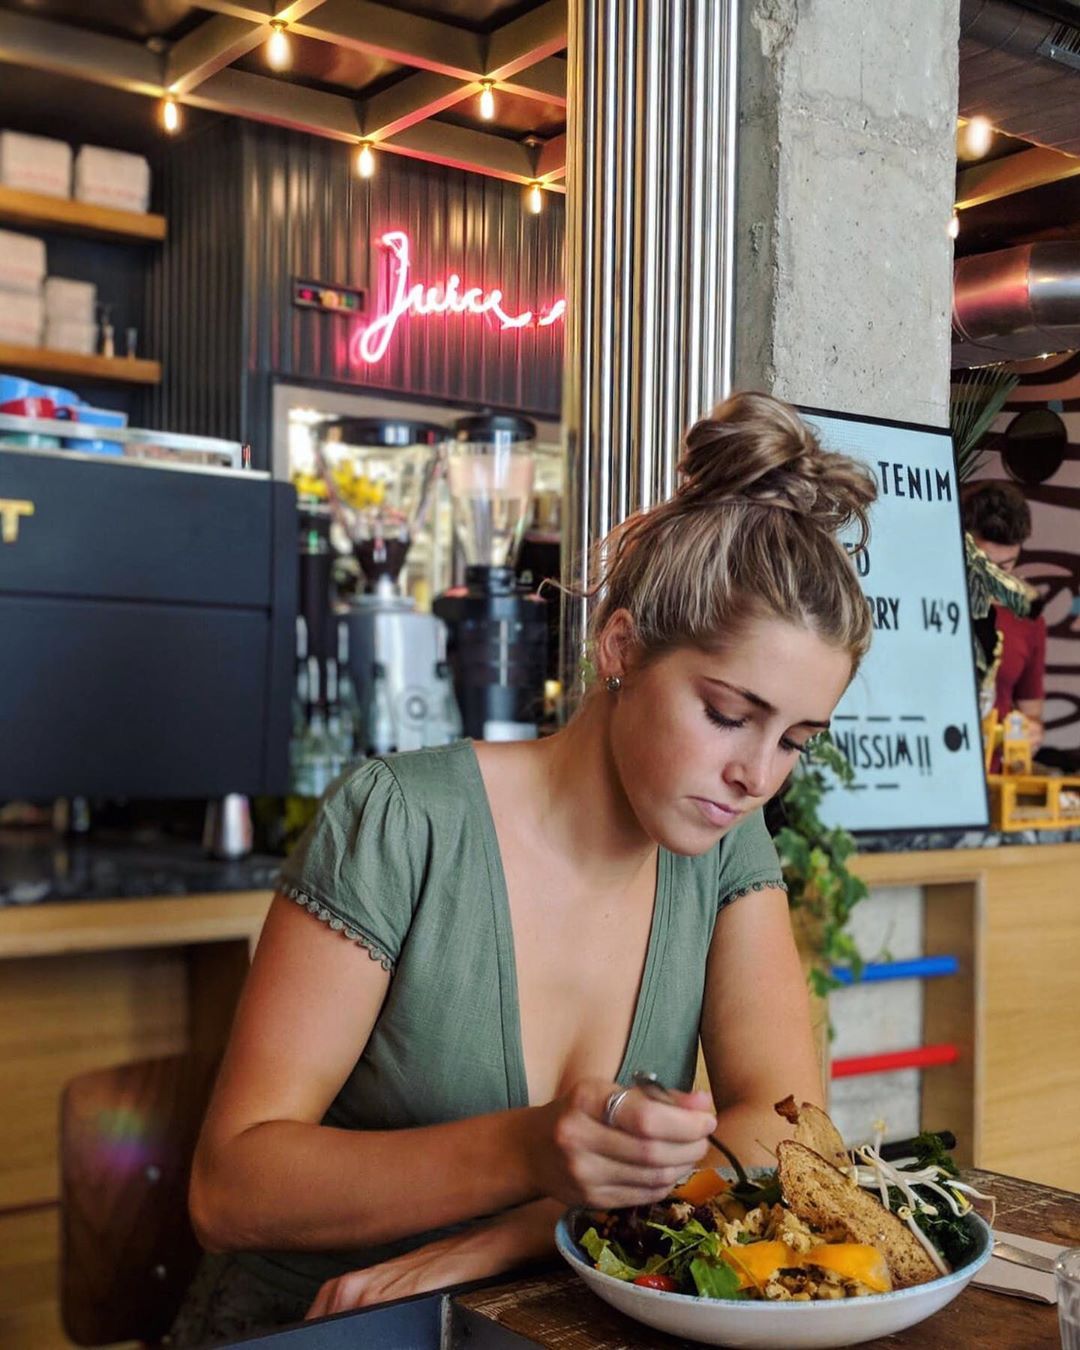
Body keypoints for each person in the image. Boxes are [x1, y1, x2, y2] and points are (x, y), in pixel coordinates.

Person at [171, 392, 877, 1346]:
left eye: (794, 739)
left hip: (532, 1317)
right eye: (725, 714)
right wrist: (527, 1149)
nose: (756, 775)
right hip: (319, 1326)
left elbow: (785, 1130)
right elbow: (228, 1190)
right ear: (621, 647)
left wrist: (508, 1238)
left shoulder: (724, 844)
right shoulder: (401, 823)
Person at [961, 480, 1046, 753]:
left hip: (992, 773)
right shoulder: (931, 603)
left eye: (1003, 567)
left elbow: (1031, 716)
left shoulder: (1027, 619)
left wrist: (1030, 734)